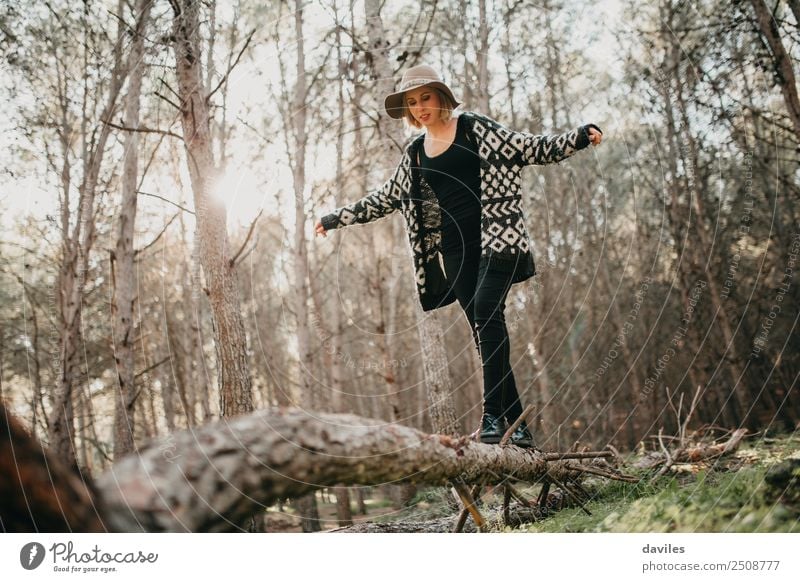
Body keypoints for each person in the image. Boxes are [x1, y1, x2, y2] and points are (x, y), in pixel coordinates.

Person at [315, 64, 602, 448]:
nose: (420, 108)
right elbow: (385, 199)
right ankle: (519, 428)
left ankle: (491, 416)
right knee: (486, 335)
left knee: (486, 310)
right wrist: (335, 218)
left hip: (497, 237)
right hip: (454, 254)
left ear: (441, 97)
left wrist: (579, 137)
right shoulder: (415, 153)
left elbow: (529, 147)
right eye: (412, 103)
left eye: (426, 98)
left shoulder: (473, 128)